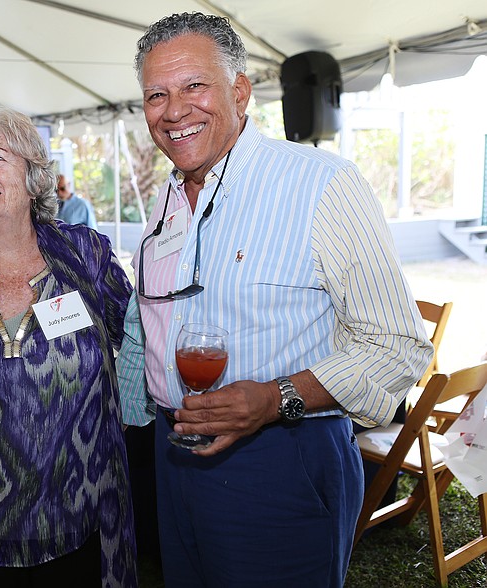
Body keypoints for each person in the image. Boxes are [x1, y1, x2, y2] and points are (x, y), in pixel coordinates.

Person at [116, 12, 433, 587]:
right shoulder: (165, 203)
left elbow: (398, 346)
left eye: (194, 86)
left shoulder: (320, 183)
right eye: (156, 94)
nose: (174, 109)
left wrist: (274, 398)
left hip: (282, 454)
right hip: (174, 452)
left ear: (241, 92)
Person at [0, 105, 137, 587]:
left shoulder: (86, 255)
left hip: (76, 518)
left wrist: (130, 411)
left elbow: (143, 340)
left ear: (35, 176)